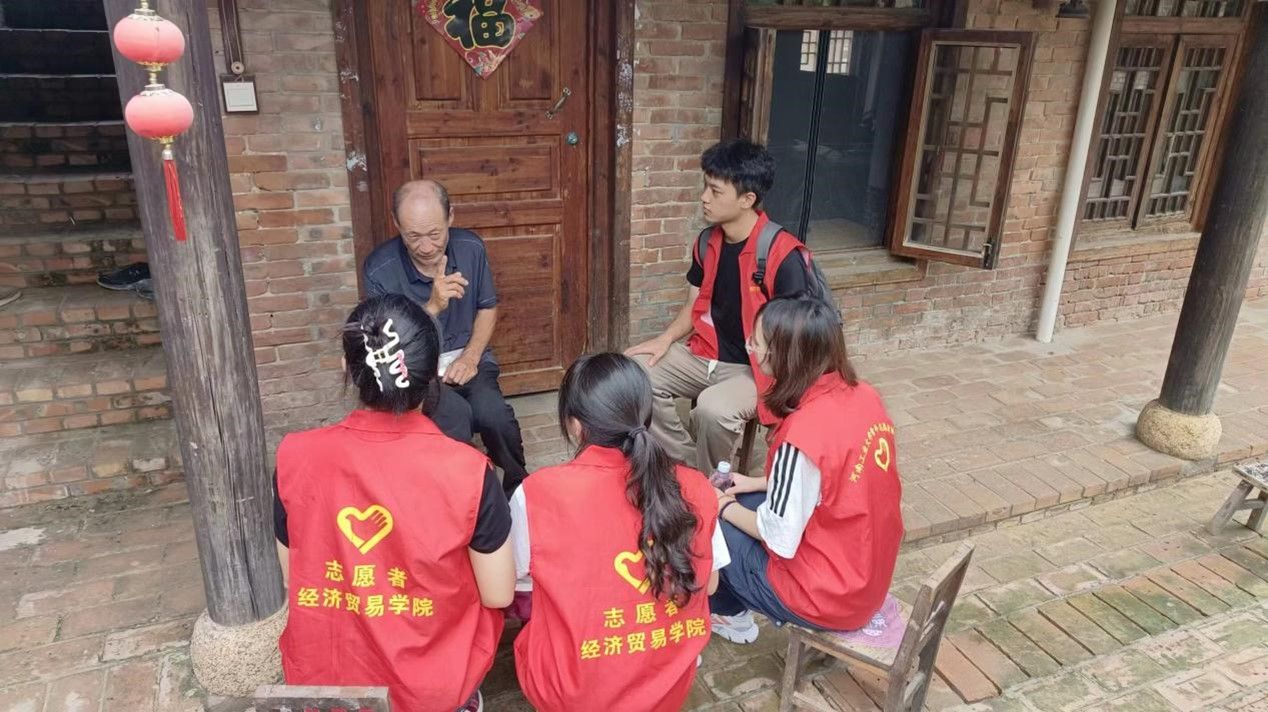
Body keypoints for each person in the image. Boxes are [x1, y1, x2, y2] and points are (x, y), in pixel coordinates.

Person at [273, 294, 515, 712]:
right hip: (433, 688)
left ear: (347, 368)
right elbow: (498, 594)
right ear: (433, 374)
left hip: (329, 686)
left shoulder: (294, 456)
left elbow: (293, 576)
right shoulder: (469, 472)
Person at [511, 353, 729, 712]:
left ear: (575, 425)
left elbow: (514, 582)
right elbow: (711, 584)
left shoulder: (537, 493)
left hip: (575, 695)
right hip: (667, 688)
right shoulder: (695, 486)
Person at [709, 297, 904, 644]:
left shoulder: (802, 432)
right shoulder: (864, 396)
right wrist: (756, 483)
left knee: (706, 523)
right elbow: (832, 480)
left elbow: (778, 537)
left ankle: (730, 615)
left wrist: (722, 506)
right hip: (865, 577)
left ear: (784, 355)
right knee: (748, 500)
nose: (751, 348)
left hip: (824, 598)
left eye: (757, 343)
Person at [626, 138, 811, 474]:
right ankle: (687, 468)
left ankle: (712, 485)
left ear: (747, 199)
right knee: (634, 370)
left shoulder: (782, 254)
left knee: (712, 409)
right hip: (704, 355)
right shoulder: (705, 242)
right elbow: (693, 305)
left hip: (757, 368)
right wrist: (665, 339)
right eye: (705, 187)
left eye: (715, 191)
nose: (704, 197)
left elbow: (797, 334)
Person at [363, 179, 528, 496]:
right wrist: (432, 307)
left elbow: (487, 308)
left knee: (495, 417)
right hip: (413, 368)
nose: (426, 247)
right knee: (455, 421)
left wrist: (471, 356)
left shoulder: (471, 249)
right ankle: (464, 495)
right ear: (396, 223)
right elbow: (384, 342)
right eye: (413, 236)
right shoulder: (379, 269)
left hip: (467, 356)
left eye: (435, 234)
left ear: (450, 216)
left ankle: (517, 488)